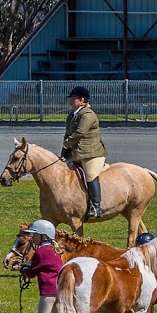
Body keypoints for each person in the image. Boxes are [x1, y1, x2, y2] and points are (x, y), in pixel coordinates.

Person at [18, 219, 62, 313]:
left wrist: (24, 270)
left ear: (44, 236)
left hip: (48, 291)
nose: (32, 237)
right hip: (59, 291)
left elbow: (32, 272)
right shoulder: (55, 250)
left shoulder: (41, 251)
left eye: (35, 235)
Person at [60, 85, 107, 219]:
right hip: (76, 153)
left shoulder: (88, 114)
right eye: (71, 99)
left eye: (73, 99)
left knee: (91, 175)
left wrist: (67, 143)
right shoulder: (72, 115)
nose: (70, 101)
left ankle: (96, 207)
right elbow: (67, 133)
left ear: (83, 100)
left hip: (91, 154)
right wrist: (64, 151)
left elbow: (80, 132)